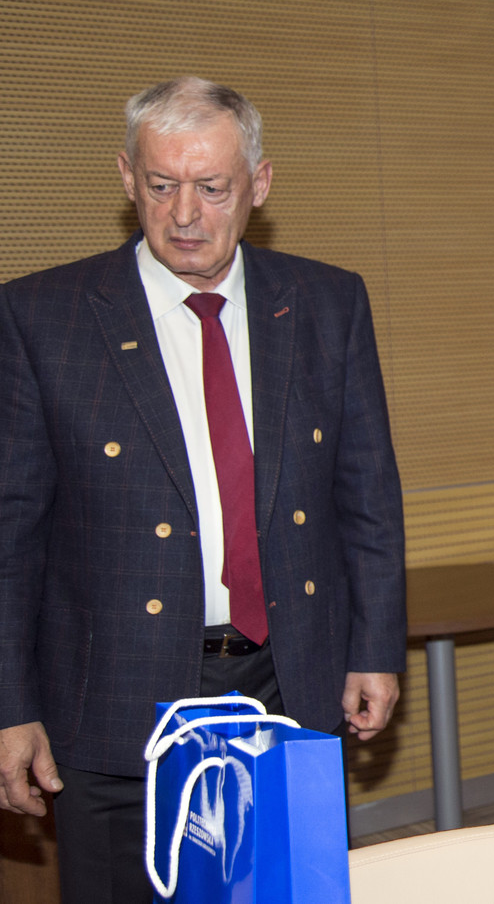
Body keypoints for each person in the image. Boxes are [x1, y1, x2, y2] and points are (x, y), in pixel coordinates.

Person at [0, 77, 408, 904]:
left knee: (285, 892)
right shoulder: (42, 316)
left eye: (212, 188)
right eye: (161, 185)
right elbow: (12, 535)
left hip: (286, 678)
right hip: (114, 696)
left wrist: (373, 647)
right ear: (127, 177)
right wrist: (10, 704)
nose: (184, 214)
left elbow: (367, 496)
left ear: (259, 184)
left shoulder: (327, 303)